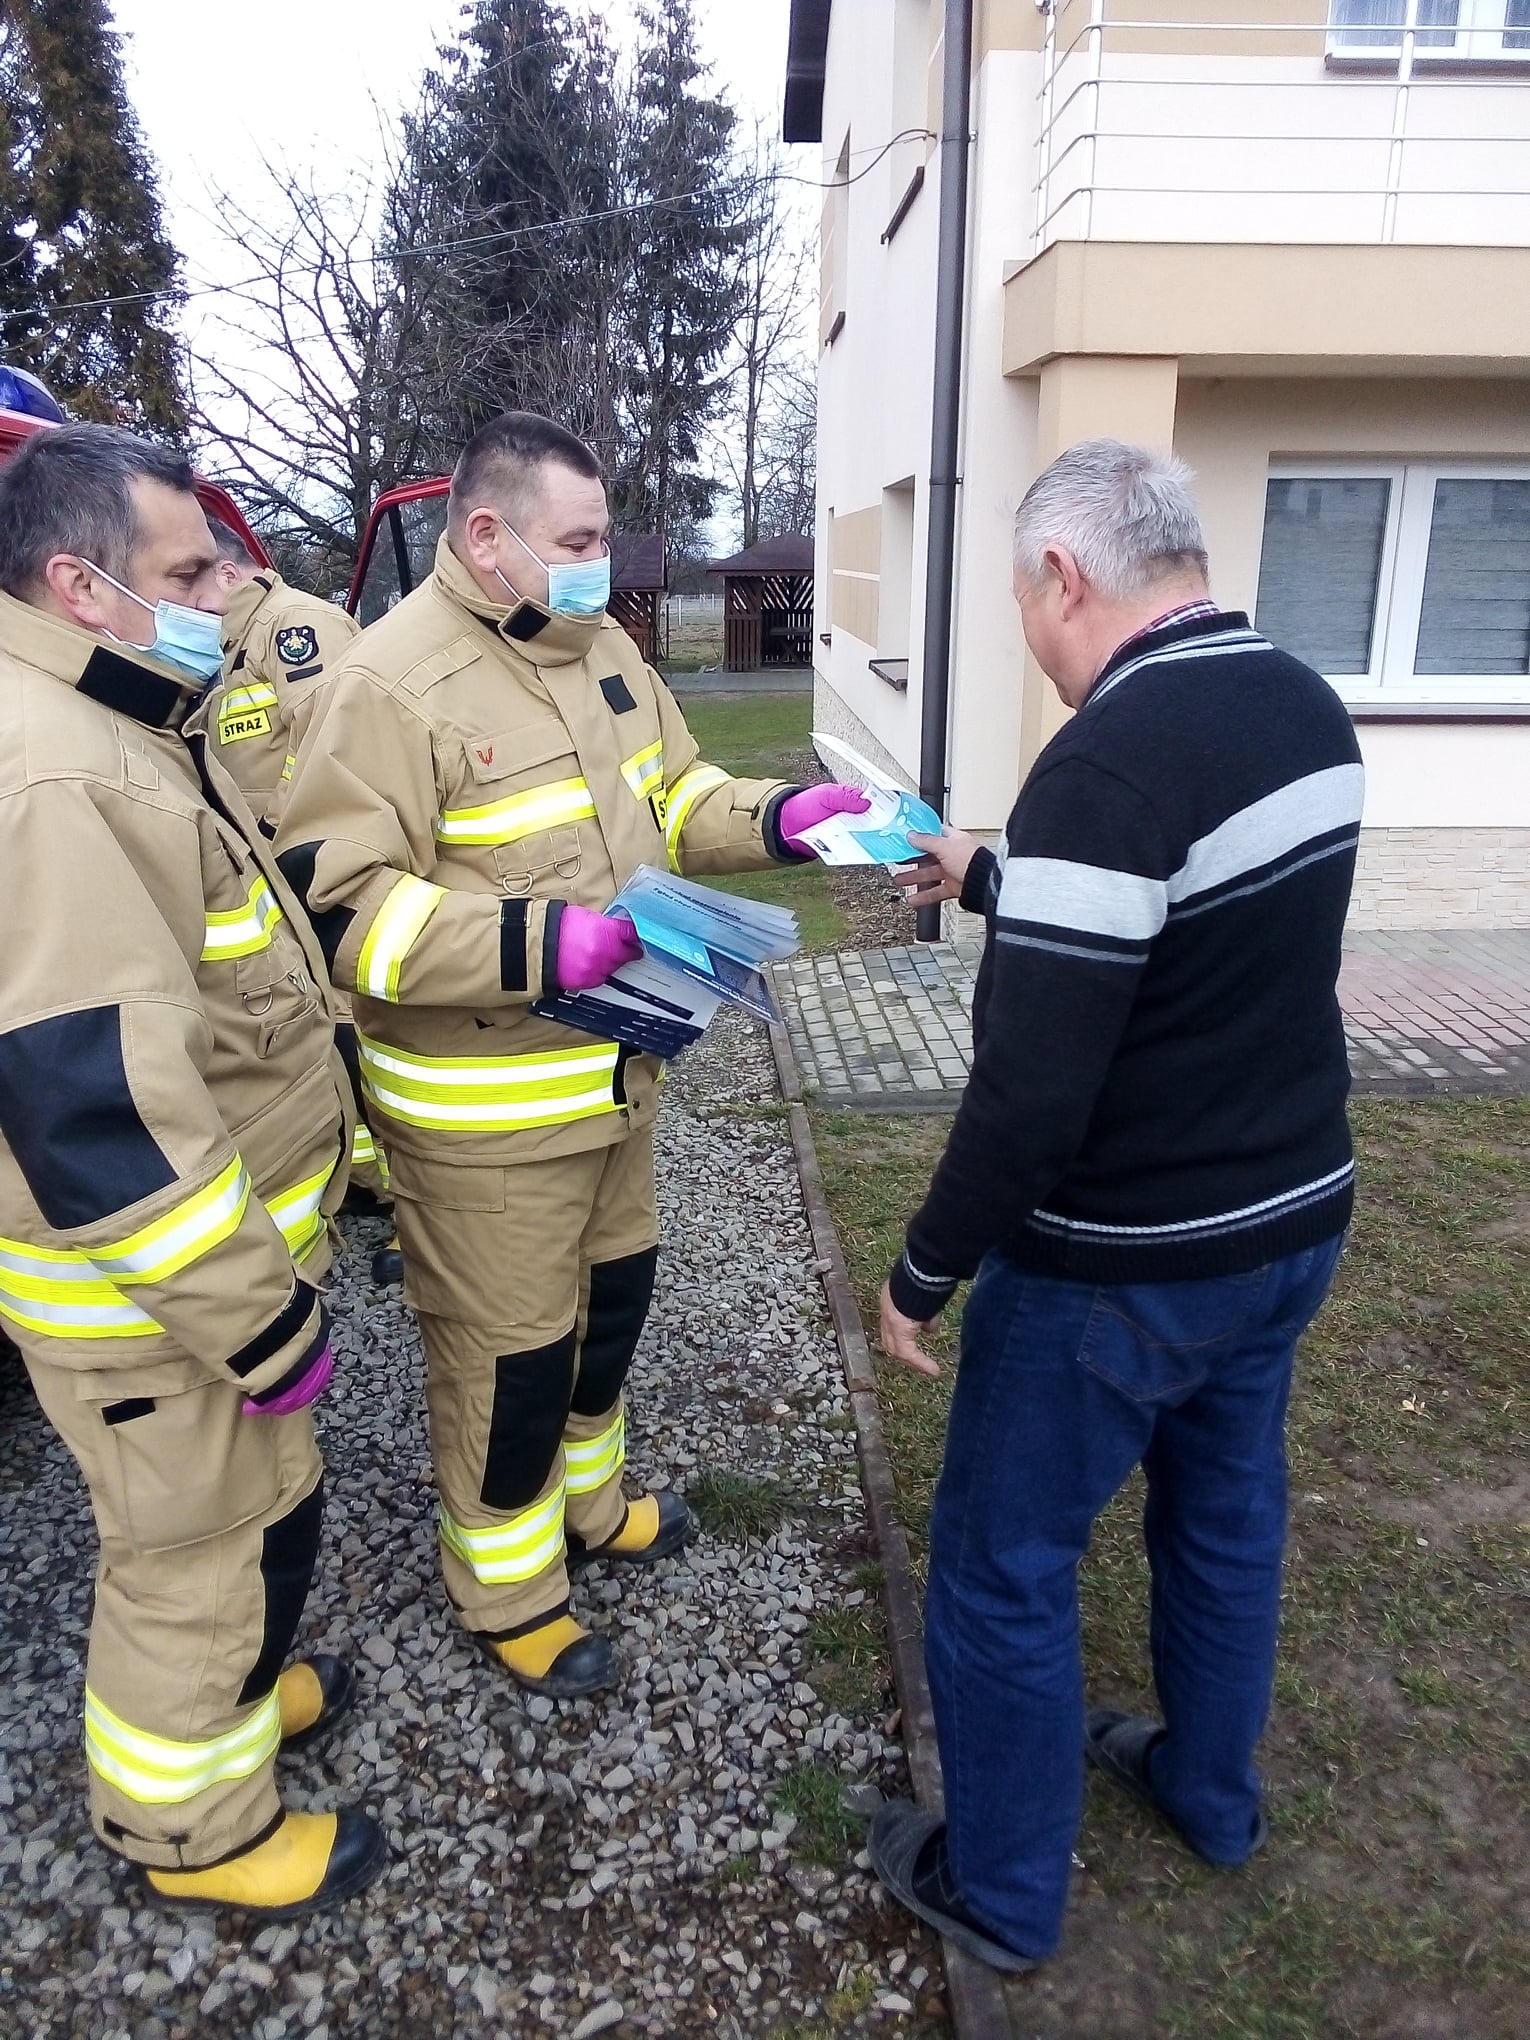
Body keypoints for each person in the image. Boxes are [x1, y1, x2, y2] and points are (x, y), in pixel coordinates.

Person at [275, 410, 867, 1700]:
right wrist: (541, 944)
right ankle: (507, 1587)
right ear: (487, 538)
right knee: (512, 1358)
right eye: (582, 538)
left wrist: (779, 816)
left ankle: (589, 1512)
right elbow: (341, 913)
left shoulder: (598, 647)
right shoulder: (386, 684)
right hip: (486, 1121)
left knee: (610, 1316)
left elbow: (677, 795)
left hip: (620, 1081)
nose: (606, 564)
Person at [867, 439, 1362, 1971]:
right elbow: (1192, 923)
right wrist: (990, 876)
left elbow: (1028, 1101)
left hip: (1119, 1272)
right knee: (1223, 1518)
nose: (1028, 631)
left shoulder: (1102, 765)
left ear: (1065, 577)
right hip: (1287, 1224)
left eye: (1022, 598)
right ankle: (1209, 1795)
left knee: (1000, 1561)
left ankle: (1002, 1892)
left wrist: (920, 1269)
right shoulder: (1299, 702)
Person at [0, 425, 383, 1918]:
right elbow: (96, 1111)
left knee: (244, 1518)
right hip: (158, 1310)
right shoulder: (52, 775)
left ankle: (242, 1695)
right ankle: (193, 1837)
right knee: (189, 1555)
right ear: (78, 583)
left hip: (204, 1287)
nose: (220, 591)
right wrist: (257, 1319)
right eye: (185, 568)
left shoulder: (109, 720)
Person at [200, 517, 400, 1281]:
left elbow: (340, 754)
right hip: (262, 881)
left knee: (354, 1032)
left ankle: (405, 1198)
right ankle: (355, 1173)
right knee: (310, 1036)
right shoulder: (224, 647)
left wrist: (288, 835)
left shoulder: (297, 630)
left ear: (225, 573)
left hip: (309, 872)